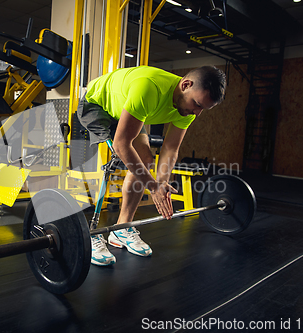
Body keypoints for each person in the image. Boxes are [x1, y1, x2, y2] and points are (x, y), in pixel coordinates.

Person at [77, 65, 226, 266]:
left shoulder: (189, 108)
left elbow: (171, 148)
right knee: (119, 158)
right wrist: (152, 186)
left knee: (145, 161)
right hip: (97, 105)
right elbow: (122, 144)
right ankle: (92, 233)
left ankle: (121, 228)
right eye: (197, 104)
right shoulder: (149, 87)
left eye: (202, 109)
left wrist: (162, 183)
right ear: (186, 85)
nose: (197, 113)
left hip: (125, 106)